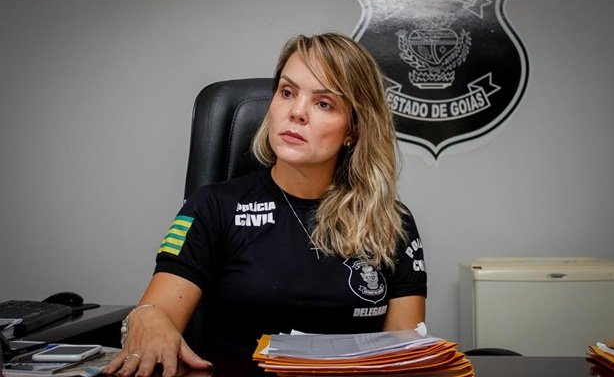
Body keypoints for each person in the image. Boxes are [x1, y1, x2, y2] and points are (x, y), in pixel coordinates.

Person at [104, 32, 427, 377]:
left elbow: (402, 359)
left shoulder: (392, 222)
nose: (296, 112)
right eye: (287, 92)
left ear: (353, 130)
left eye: (324, 104)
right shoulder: (212, 207)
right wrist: (147, 318)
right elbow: (158, 314)